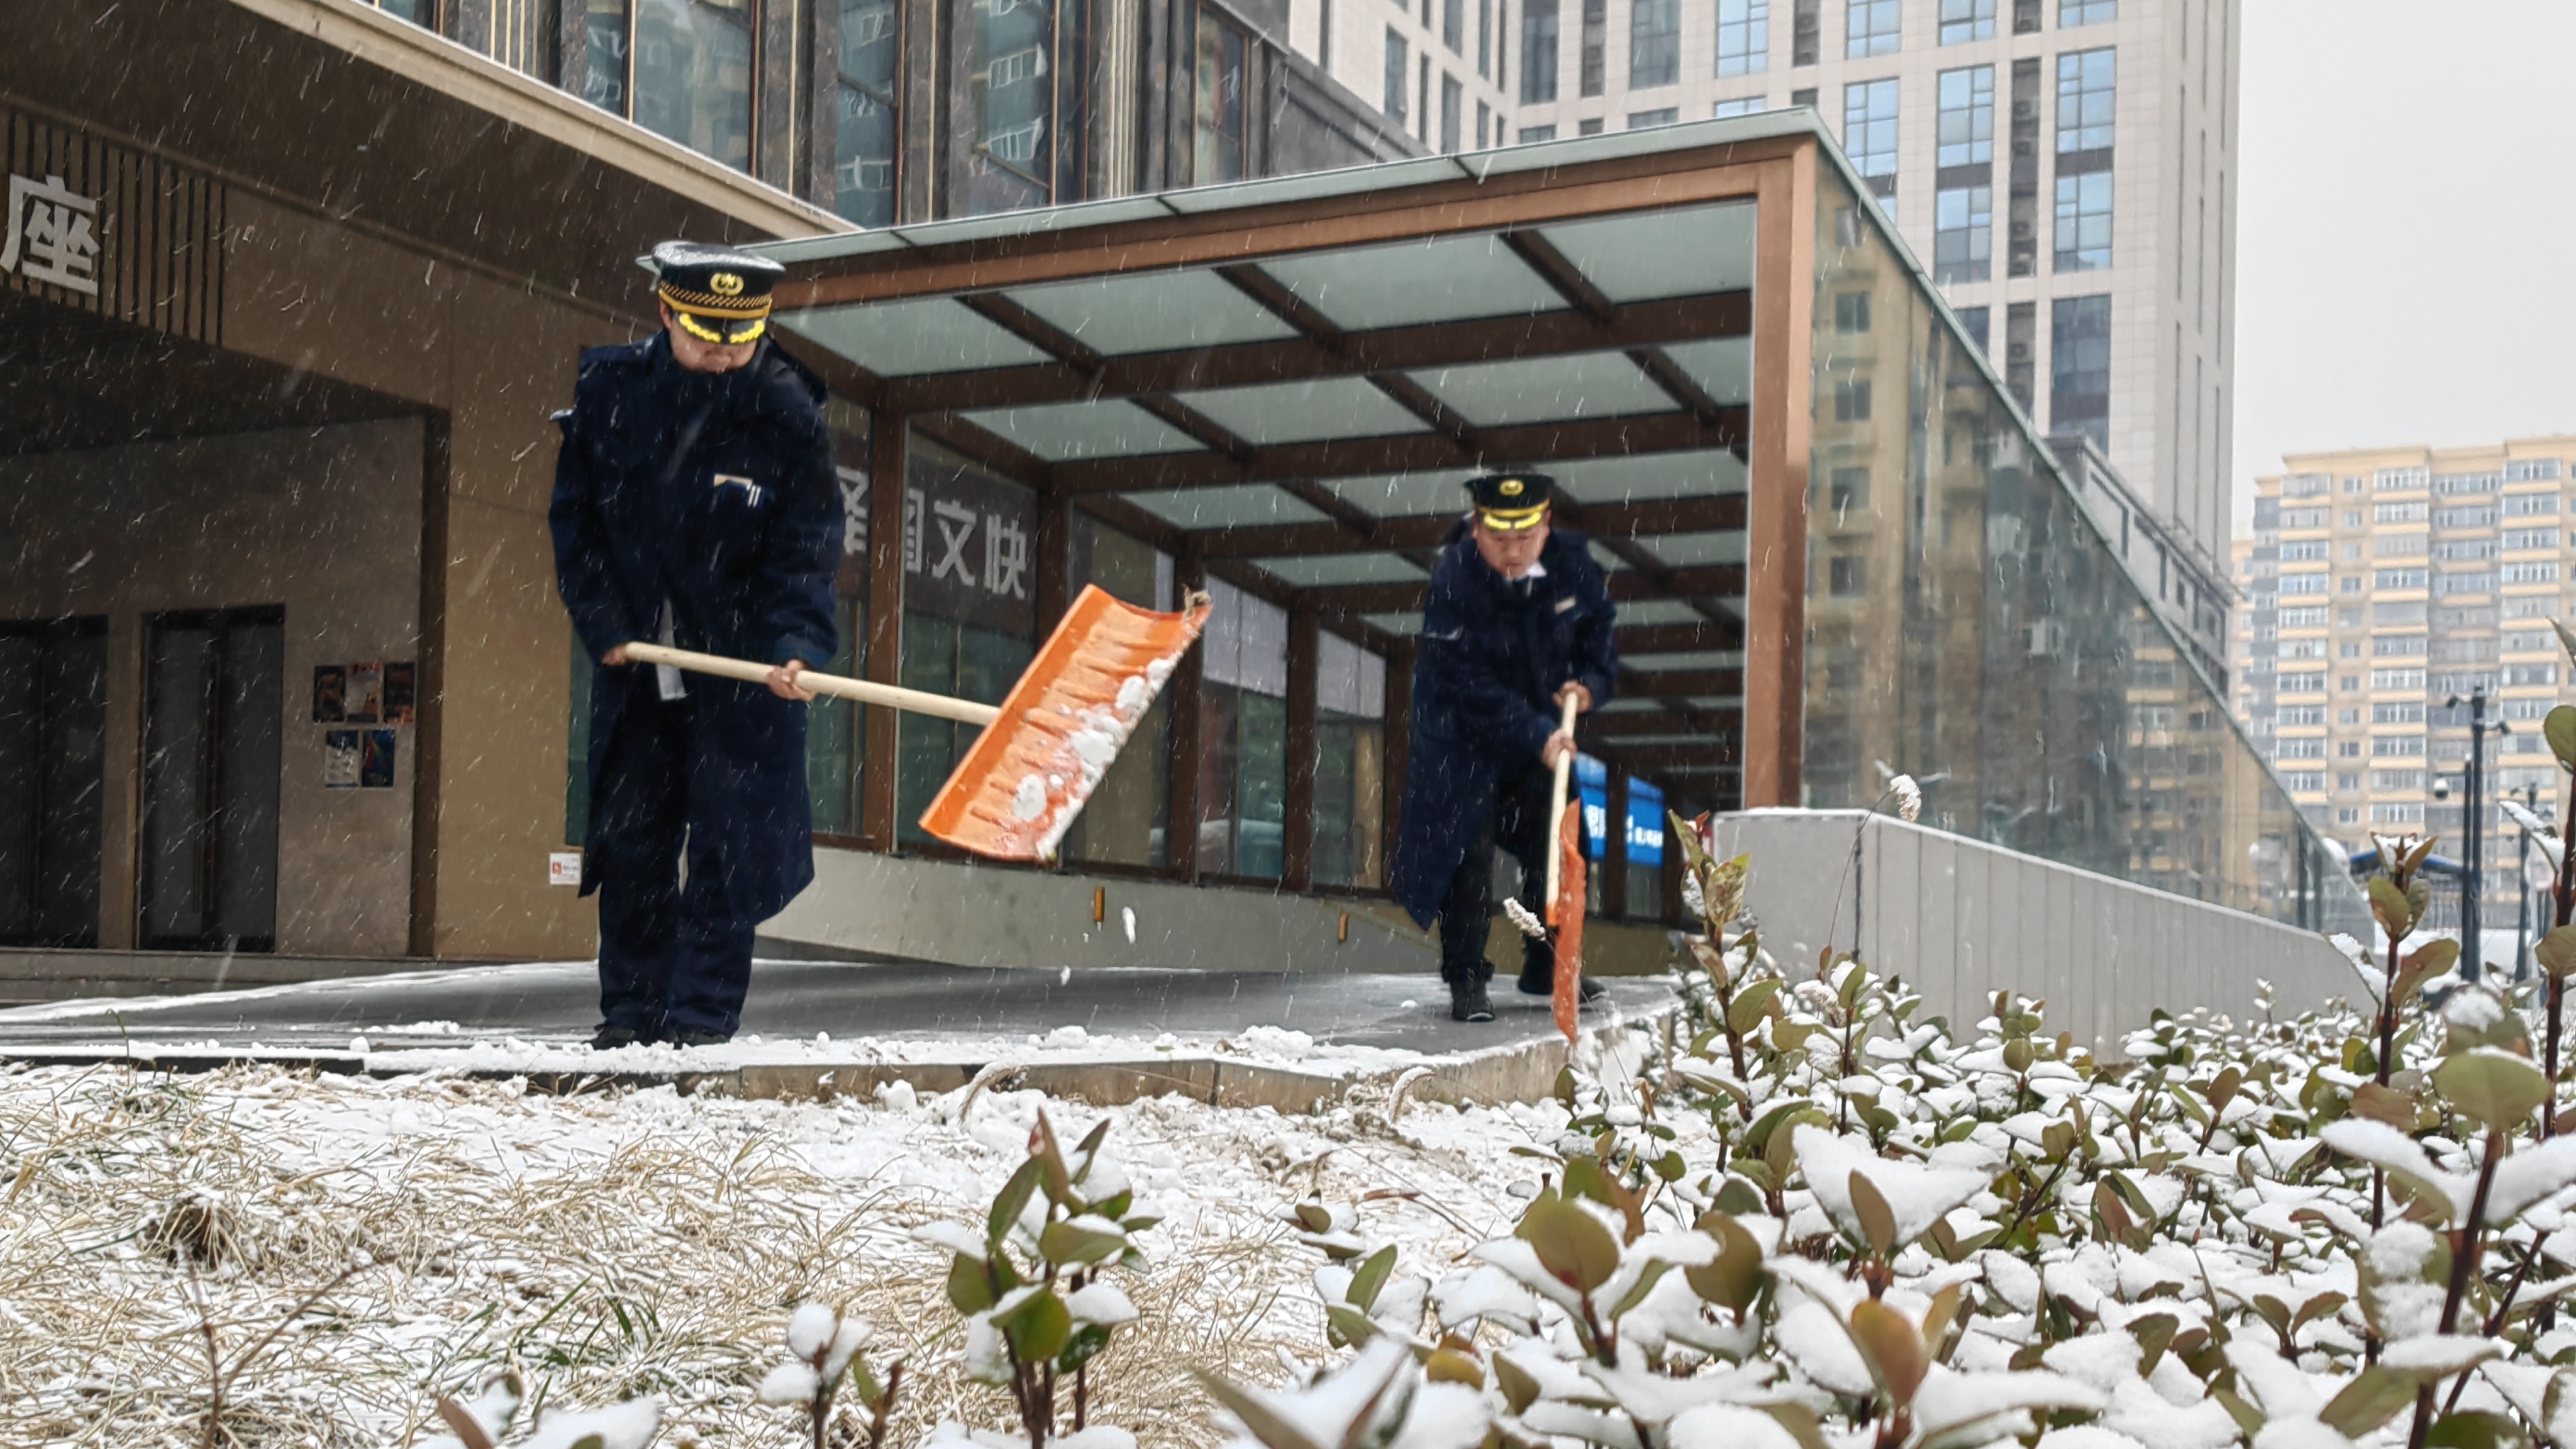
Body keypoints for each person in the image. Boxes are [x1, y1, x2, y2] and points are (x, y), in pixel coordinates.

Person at [548, 241, 840, 1050]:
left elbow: (808, 546)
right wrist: (605, 625)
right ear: (665, 314)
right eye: (705, 336)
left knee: (728, 848)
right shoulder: (610, 394)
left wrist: (794, 646)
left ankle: (701, 1020)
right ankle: (631, 1015)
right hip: (642, 667)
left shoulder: (786, 410)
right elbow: (578, 527)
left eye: (740, 340)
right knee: (635, 840)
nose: (723, 355)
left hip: (745, 671)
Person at [1389, 472, 1618, 1023]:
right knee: (1467, 852)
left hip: (1533, 735)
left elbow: (1599, 628)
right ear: (1476, 528)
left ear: (1545, 525)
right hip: (1460, 739)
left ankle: (1550, 963)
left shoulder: (1572, 564)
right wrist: (1538, 734)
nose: (1512, 553)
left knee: (1563, 841)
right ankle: (1466, 975)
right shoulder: (1454, 580)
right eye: (1499, 541)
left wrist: (1590, 683)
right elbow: (1468, 684)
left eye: (1524, 540)